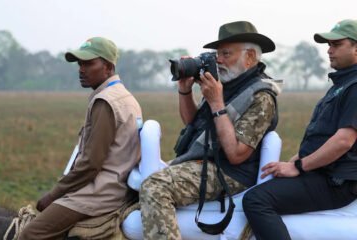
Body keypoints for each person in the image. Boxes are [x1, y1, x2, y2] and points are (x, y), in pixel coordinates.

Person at [139, 21, 280, 240]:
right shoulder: (227, 82)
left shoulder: (261, 96)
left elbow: (236, 155)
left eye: (225, 54)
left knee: (155, 186)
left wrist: (216, 102)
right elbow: (193, 123)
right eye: (217, 54)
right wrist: (184, 91)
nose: (219, 60)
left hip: (231, 172)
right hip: (206, 160)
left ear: (250, 57)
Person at [242, 19, 357, 240]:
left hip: (337, 181)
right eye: (328, 45)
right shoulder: (342, 85)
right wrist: (291, 162)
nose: (329, 51)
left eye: (337, 44)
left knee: (256, 200)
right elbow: (322, 138)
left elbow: (344, 141)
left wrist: (299, 166)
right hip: (325, 173)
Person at [19, 37, 143, 240]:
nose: (81, 69)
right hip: (118, 187)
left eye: (88, 63)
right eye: (79, 64)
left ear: (108, 67)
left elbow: (90, 164)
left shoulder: (105, 101)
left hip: (100, 193)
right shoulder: (124, 96)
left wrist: (53, 195)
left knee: (31, 233)